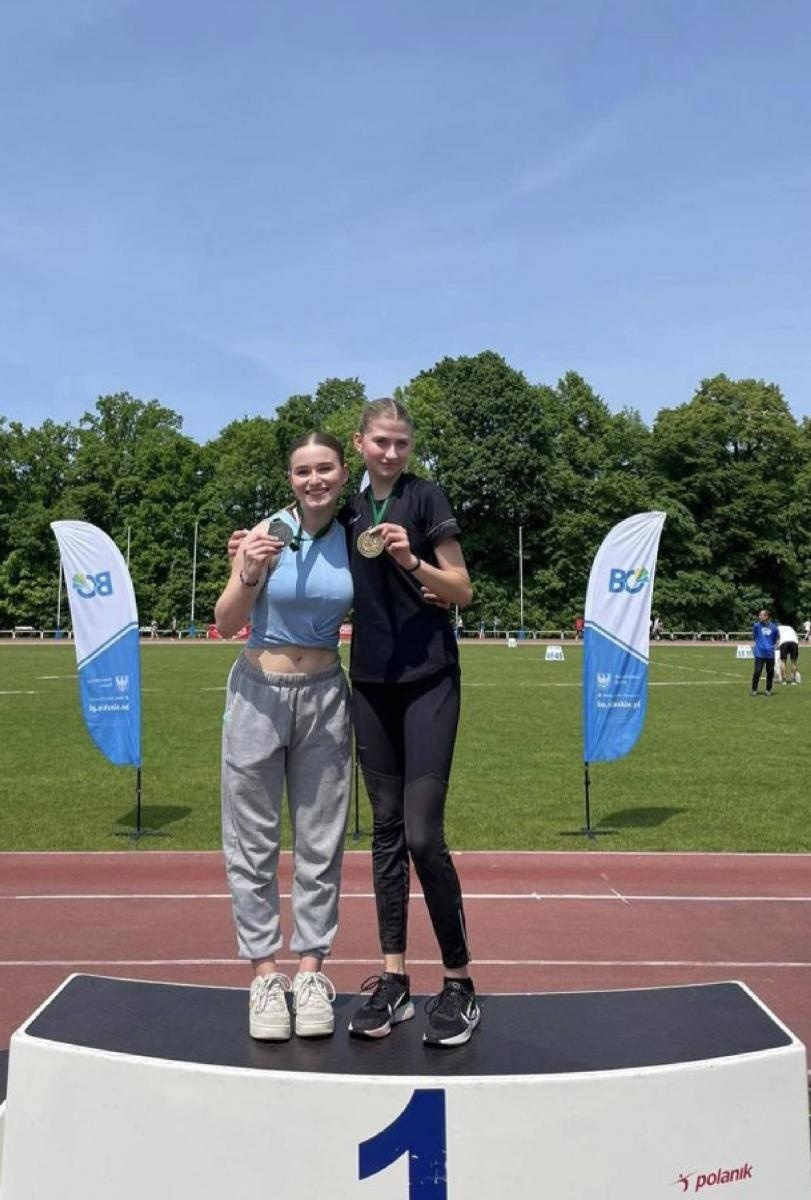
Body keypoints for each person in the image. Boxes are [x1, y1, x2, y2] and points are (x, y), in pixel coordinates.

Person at [344, 397, 479, 1048]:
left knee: (423, 835)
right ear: (359, 443)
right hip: (368, 682)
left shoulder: (426, 498)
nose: (391, 453)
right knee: (386, 832)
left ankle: (458, 983)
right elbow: (299, 545)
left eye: (401, 443)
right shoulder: (344, 505)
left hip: (428, 678)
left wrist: (411, 562)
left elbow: (461, 589)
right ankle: (394, 979)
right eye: (380, 442)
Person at [215, 432, 353, 1041]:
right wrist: (247, 569)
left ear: (343, 473)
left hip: (326, 696)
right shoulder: (263, 531)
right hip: (258, 692)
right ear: (290, 479)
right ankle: (264, 974)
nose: (314, 479)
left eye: (325, 468)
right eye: (303, 471)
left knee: (320, 843)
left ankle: (310, 971)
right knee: (253, 842)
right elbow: (226, 620)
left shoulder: (359, 536)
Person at [751, 608, 779, 697]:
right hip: (759, 653)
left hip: (770, 654)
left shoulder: (774, 628)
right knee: (757, 672)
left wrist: (770, 646)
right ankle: (754, 690)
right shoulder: (756, 626)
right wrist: (760, 645)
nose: (759, 616)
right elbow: (755, 637)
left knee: (770, 672)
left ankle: (768, 690)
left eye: (761, 615)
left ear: (766, 616)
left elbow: (775, 640)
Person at [777, 621, 800, 685]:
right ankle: (793, 680)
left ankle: (784, 680)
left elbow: (775, 637)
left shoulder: (778, 627)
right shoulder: (791, 628)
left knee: (783, 661)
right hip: (794, 642)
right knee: (794, 662)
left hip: (784, 642)